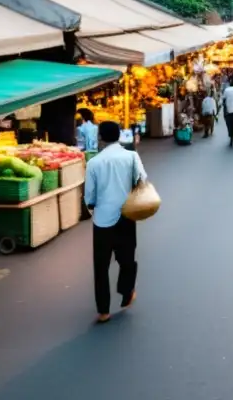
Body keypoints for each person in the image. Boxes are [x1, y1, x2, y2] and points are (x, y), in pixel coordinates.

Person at [84, 121, 144, 323]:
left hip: (102, 221)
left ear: (100, 137)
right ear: (119, 136)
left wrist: (93, 206)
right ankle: (127, 293)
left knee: (101, 266)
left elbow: (89, 197)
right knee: (127, 259)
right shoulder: (131, 156)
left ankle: (103, 311)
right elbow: (142, 180)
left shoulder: (94, 163)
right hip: (127, 216)